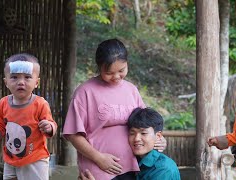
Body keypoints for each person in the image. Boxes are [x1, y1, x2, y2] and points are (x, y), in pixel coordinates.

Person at [62, 38, 166, 180]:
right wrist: (99, 158)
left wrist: (158, 139)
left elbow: (145, 123)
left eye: (121, 70)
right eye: (109, 72)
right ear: (99, 67)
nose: (116, 77)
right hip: (97, 168)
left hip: (131, 165)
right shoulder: (85, 92)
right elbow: (73, 134)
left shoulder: (131, 90)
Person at [0, 53, 57, 180]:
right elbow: (0, 126)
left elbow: (52, 124)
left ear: (36, 82)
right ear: (6, 82)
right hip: (11, 159)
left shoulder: (40, 104)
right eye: (14, 77)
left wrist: (49, 127)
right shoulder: (3, 103)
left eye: (27, 77)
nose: (21, 82)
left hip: (34, 160)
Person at [80, 107, 181, 180]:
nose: (136, 138)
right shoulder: (132, 162)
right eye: (132, 133)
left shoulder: (163, 169)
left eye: (143, 133)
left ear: (158, 136)